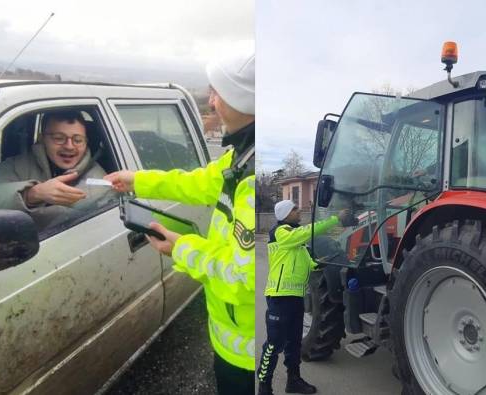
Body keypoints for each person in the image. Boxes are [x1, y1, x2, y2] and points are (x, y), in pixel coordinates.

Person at [104, 50, 255, 395]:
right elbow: (196, 183)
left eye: (218, 92)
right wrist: (137, 180)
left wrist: (179, 246)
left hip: (245, 352)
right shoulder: (242, 156)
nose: (212, 100)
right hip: (231, 331)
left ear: (241, 99)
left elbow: (241, 274)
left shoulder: (252, 182)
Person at [258, 200, 350, 395]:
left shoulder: (299, 246)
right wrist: (335, 220)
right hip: (279, 299)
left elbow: (310, 266)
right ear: (284, 214)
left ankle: (294, 380)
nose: (298, 211)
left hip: (295, 299)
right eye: (294, 209)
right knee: (273, 345)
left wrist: (327, 262)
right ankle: (264, 386)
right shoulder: (281, 232)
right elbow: (305, 233)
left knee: (294, 342)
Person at [0, 110, 116, 229]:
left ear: (86, 143)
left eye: (78, 140)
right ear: (42, 139)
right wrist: (32, 194)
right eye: (59, 138)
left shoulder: (101, 181)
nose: (69, 146)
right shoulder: (18, 165)